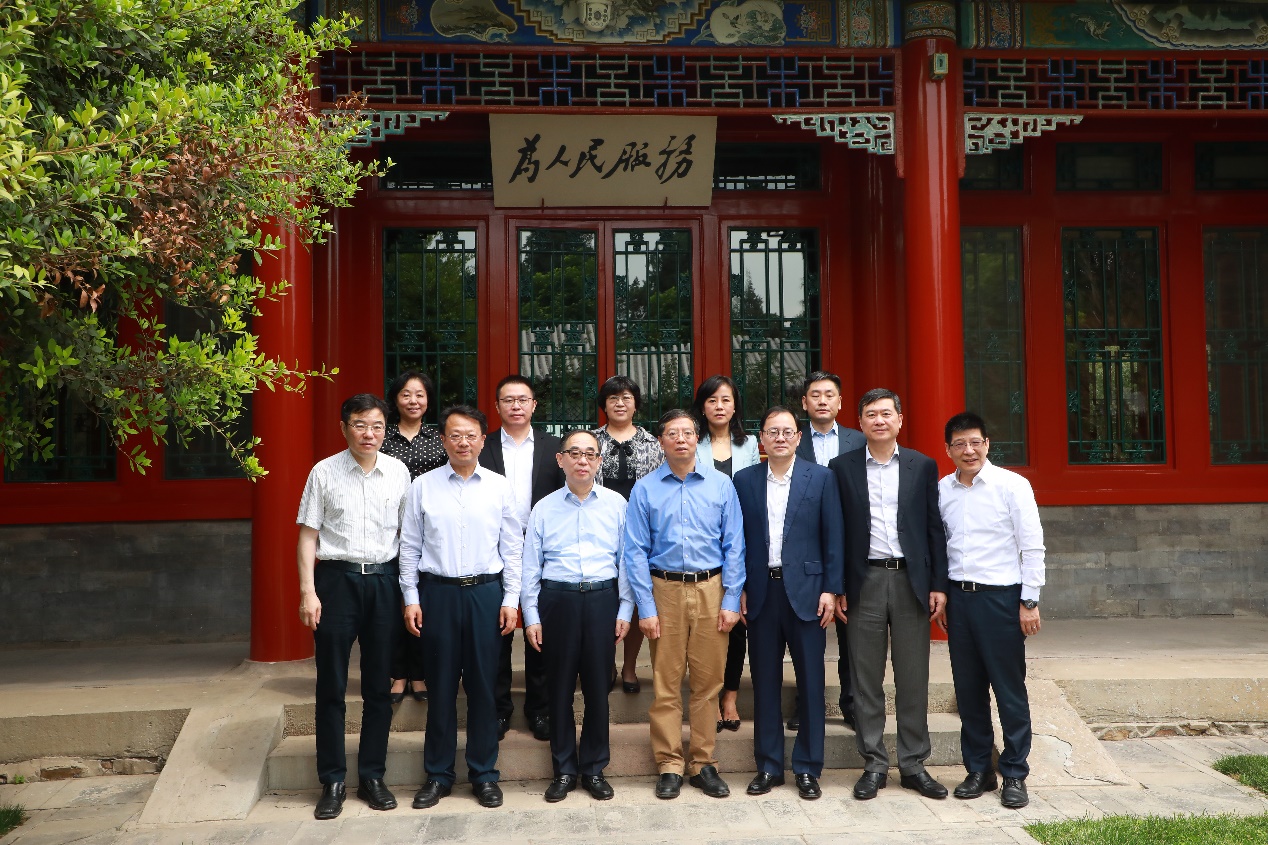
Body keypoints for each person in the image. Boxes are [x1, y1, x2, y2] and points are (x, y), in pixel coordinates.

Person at [399, 405, 523, 811]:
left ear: (483, 440)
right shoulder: (422, 486)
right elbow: (409, 546)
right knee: (441, 687)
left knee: (485, 687)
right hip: (438, 595)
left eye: (471, 435)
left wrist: (511, 599)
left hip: (486, 594)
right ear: (443, 440)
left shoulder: (499, 487)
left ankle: (484, 774)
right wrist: (411, 597)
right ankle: (438, 774)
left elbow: (512, 548)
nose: (463, 442)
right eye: (455, 435)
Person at [829, 388, 949, 801]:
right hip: (863, 580)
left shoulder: (922, 465)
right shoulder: (841, 467)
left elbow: (934, 528)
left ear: (900, 419)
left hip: (911, 582)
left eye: (886, 414)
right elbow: (836, 531)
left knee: (913, 675)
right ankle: (874, 763)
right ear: (860, 423)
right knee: (866, 679)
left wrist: (938, 584)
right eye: (870, 415)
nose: (879, 421)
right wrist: (838, 586)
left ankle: (914, 763)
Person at [296, 394, 411, 820]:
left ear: (385, 430)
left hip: (384, 581)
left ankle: (372, 776)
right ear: (344, 427)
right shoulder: (323, 472)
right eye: (360, 425)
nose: (369, 433)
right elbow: (308, 536)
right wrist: (308, 591)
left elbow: (408, 537)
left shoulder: (398, 472)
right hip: (337, 581)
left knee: (380, 685)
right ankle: (332, 779)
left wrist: (409, 593)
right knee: (332, 684)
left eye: (377, 426)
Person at [624, 409, 745, 801]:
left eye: (688, 433)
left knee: (708, 682)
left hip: (712, 589)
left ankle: (703, 762)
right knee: (666, 683)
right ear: (661, 441)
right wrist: (646, 607)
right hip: (665, 590)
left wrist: (731, 599)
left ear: (698, 439)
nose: (681, 439)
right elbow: (635, 551)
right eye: (672, 433)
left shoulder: (721, 485)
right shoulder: (645, 489)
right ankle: (669, 764)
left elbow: (735, 545)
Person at [732, 407, 843, 801]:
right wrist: (738, 587)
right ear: (761, 439)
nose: (780, 438)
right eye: (772, 432)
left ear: (799, 437)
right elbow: (737, 540)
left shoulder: (822, 477)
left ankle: (808, 768)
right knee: (765, 682)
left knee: (811, 682)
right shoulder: (744, 480)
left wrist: (831, 589)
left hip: (809, 593)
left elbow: (834, 537)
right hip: (761, 591)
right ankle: (769, 765)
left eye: (787, 432)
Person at [937, 412, 1046, 810]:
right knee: (968, 691)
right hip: (959, 600)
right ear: (948, 449)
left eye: (975, 442)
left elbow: (1032, 546)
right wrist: (943, 595)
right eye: (960, 444)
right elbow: (941, 546)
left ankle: (1014, 773)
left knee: (1008, 690)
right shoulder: (943, 490)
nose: (968, 450)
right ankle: (979, 769)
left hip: (1001, 600)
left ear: (987, 444)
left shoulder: (1012, 485)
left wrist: (1029, 601)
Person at [521, 429, 635, 803]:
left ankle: (594, 768)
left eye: (590, 454)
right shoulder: (544, 508)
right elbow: (530, 567)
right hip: (558, 601)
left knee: (599, 688)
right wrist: (532, 615)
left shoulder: (616, 504)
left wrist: (625, 608)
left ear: (599, 461)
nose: (582, 460)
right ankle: (564, 769)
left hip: (602, 599)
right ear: (561, 460)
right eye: (574, 453)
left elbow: (626, 561)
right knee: (559, 689)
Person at [478, 375, 565, 742]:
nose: (516, 406)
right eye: (508, 400)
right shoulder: (481, 446)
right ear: (497, 406)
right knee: (496, 629)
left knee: (540, 628)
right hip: (492, 547)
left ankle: (540, 709)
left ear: (534, 405)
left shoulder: (555, 447)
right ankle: (499, 709)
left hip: (543, 547)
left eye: (522, 399)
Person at [789, 370, 866, 733]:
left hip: (849, 545)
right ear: (804, 403)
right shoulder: (793, 438)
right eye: (815, 395)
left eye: (829, 394)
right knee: (806, 628)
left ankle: (851, 703)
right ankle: (806, 703)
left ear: (840, 402)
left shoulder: (859, 440)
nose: (822, 400)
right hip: (803, 545)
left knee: (852, 629)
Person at [690, 374, 760, 733]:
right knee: (706, 626)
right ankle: (709, 694)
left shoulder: (749, 444)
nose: (719, 406)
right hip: (702, 542)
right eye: (712, 400)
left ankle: (729, 696)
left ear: (735, 406)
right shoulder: (692, 441)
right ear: (702, 407)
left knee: (736, 622)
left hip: (741, 538)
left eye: (726, 400)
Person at [593, 375, 665, 693]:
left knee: (637, 599)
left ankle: (630, 666)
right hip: (600, 530)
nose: (620, 403)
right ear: (604, 405)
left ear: (636, 404)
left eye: (626, 397)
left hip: (642, 532)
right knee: (606, 598)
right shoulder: (591, 442)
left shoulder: (653, 444)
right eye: (613, 398)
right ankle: (607, 662)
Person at [380, 371, 447, 704]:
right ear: (395, 399)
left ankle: (420, 673)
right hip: (389, 531)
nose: (413, 401)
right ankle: (398, 673)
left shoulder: (439, 439)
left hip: (430, 531)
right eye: (406, 394)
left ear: (428, 400)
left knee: (423, 603)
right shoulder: (382, 437)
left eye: (420, 394)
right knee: (396, 604)